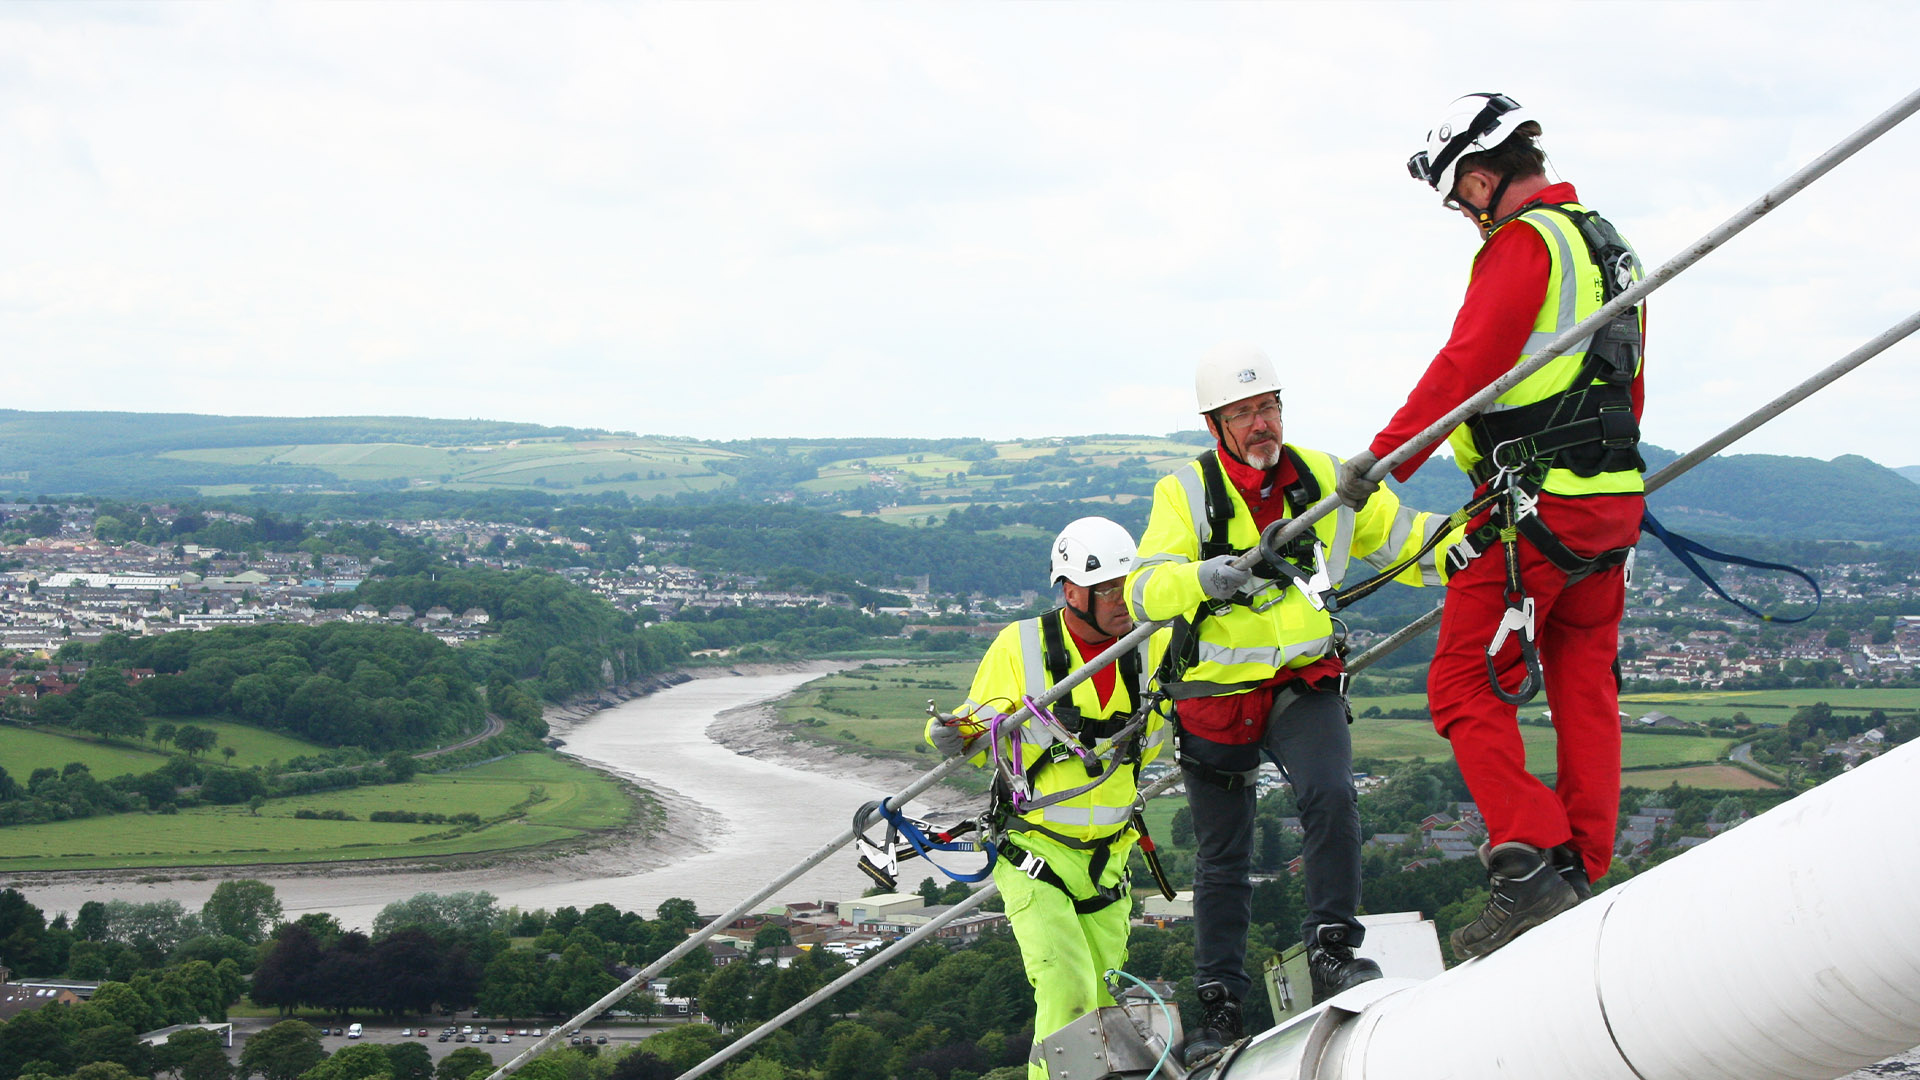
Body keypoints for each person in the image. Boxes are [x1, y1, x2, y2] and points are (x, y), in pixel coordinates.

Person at [1337, 92, 1648, 960]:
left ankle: (1532, 867)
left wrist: (1386, 457)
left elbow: (1469, 364)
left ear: (1479, 178)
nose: (1464, 217)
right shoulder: (1603, 241)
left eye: (1459, 200)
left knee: (1460, 685)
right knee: (1583, 680)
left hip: (1533, 508)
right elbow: (1626, 384)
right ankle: (1581, 863)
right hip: (1611, 502)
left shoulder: (1523, 245)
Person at [1126, 344, 1458, 1063]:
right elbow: (1144, 590)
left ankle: (1334, 950)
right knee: (1223, 856)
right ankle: (1219, 1004)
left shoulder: (1318, 478)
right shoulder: (1185, 494)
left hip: (1302, 679)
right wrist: (1200, 578)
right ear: (1217, 425)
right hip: (1214, 692)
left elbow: (1397, 537)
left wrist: (1466, 542)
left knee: (1331, 795)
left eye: (1268, 406)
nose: (1260, 423)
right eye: (1244, 412)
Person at [927, 516, 1171, 1080]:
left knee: (1102, 996)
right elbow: (982, 720)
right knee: (1064, 987)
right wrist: (949, 733)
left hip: (1109, 859)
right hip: (1036, 853)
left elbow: (1159, 738)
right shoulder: (1024, 646)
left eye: (1123, 585)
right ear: (1070, 592)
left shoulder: (1147, 645)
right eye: (1104, 589)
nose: (1119, 600)